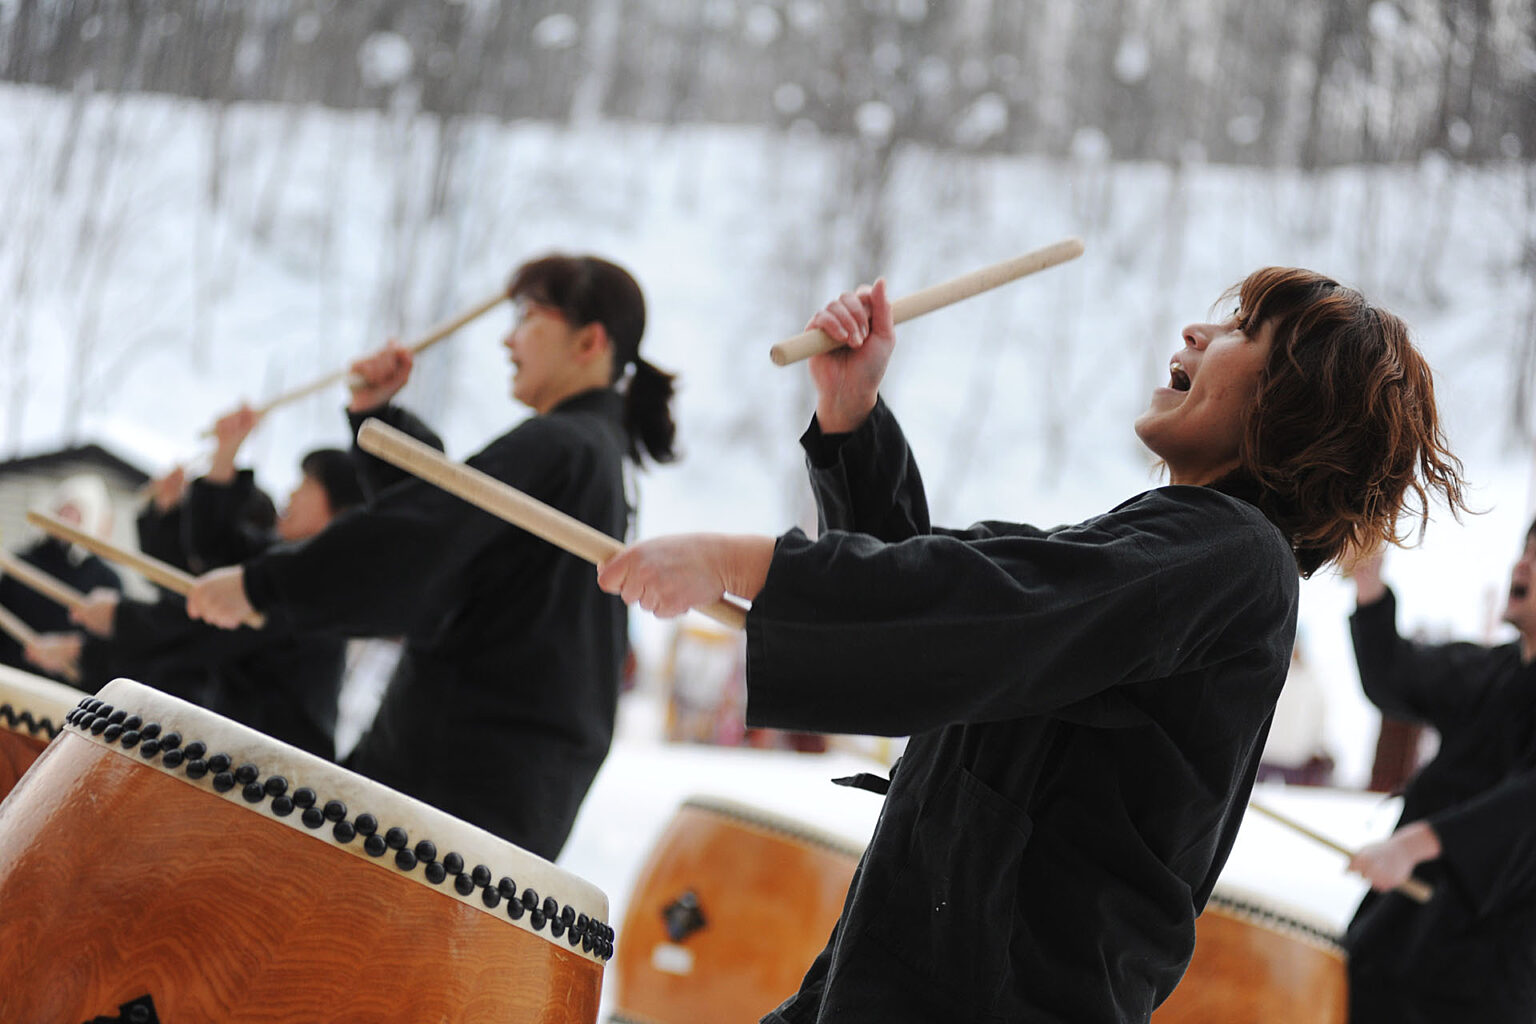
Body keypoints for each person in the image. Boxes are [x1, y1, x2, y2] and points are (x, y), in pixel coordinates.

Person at [596, 268, 1467, 1022]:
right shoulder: (1164, 552)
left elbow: (992, 610)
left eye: (1244, 331)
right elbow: (973, 604)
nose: (1198, 330)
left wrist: (741, 560)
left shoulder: (1238, 559)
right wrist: (852, 421)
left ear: (1291, 409)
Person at [185, 253, 678, 861]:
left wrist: (263, 588)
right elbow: (461, 535)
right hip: (503, 800)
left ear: (589, 340)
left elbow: (426, 541)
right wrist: (376, 416)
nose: (507, 337)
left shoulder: (563, 444)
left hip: (448, 793)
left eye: (526, 316)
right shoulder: (602, 460)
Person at [52, 407, 365, 759]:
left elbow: (202, 626)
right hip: (237, 741)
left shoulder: (315, 582)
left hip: (277, 761)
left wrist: (115, 622)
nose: (291, 494)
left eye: (306, 484)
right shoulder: (282, 562)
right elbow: (212, 558)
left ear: (340, 513)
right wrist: (222, 458)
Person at [1344, 531, 1536, 1023]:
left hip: (1486, 976)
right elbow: (1396, 674)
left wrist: (1417, 843)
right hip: (1399, 945)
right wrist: (1368, 583)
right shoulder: (1490, 671)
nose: (1522, 565)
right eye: (1526, 550)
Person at [0, 473, 123, 682]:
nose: (67, 520)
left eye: (76, 514)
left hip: (66, 692)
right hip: (11, 677)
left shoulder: (106, 581)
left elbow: (109, 648)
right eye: (64, 510)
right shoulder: (20, 563)